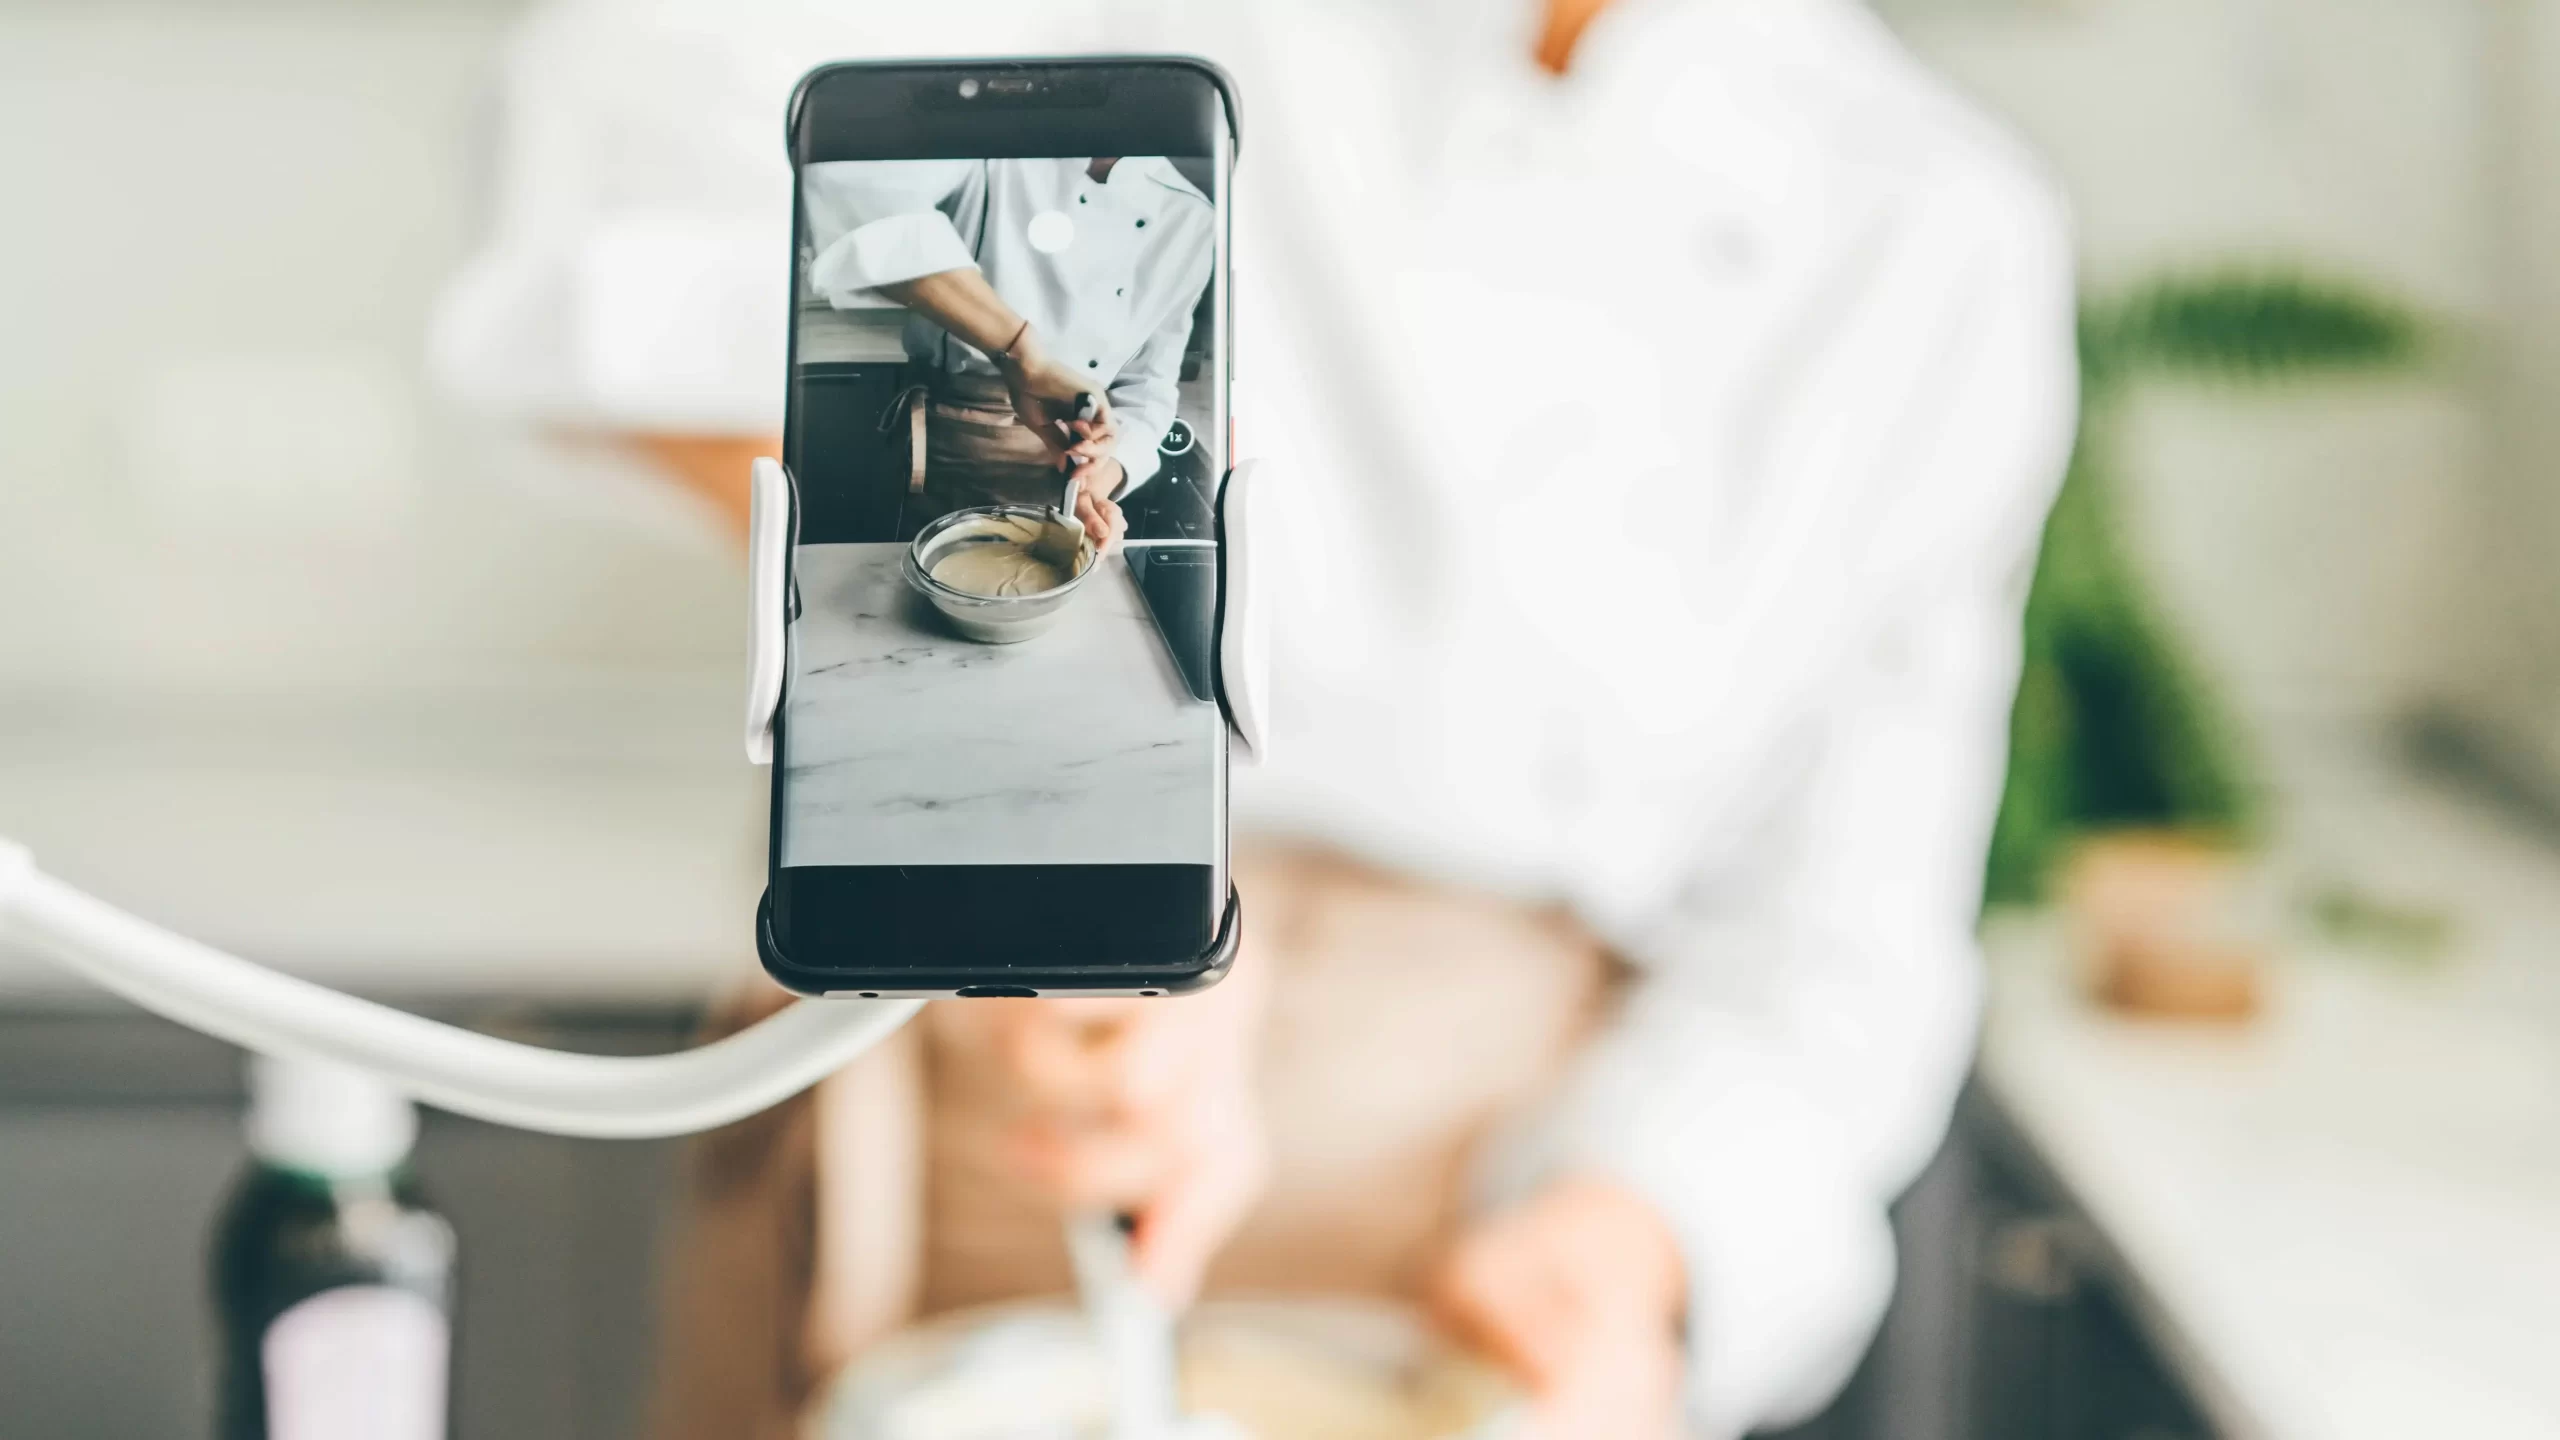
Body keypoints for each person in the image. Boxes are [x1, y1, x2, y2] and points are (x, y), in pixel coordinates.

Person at [431, 1, 2078, 1437]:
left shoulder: (1934, 229)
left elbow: (1833, 949)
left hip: (1491, 1209)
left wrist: (1634, 1241)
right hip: (970, 1105)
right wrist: (1029, 762)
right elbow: (627, 196)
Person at [802, 156, 1215, 549]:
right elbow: (847, 191)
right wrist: (1022, 356)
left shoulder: (1190, 216)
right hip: (941, 443)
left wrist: (1099, 476)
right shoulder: (995, 141)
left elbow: (1150, 384)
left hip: (1067, 466)